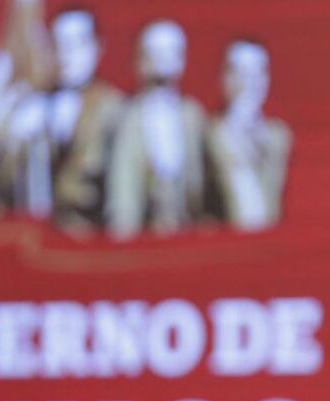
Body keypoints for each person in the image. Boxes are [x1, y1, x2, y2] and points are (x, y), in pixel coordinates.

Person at [106, 19, 207, 239]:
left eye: (170, 53)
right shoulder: (125, 119)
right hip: (139, 235)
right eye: (153, 54)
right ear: (139, 61)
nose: (161, 63)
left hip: (187, 232)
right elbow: (121, 184)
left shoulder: (193, 116)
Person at [47, 6, 125, 232]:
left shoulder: (114, 109)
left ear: (97, 47)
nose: (66, 55)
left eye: (76, 45)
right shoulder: (37, 107)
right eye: (58, 45)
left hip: (92, 232)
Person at [205, 38, 292, 230]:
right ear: (225, 77)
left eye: (255, 74)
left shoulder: (277, 136)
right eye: (240, 73)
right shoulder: (209, 132)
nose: (247, 83)